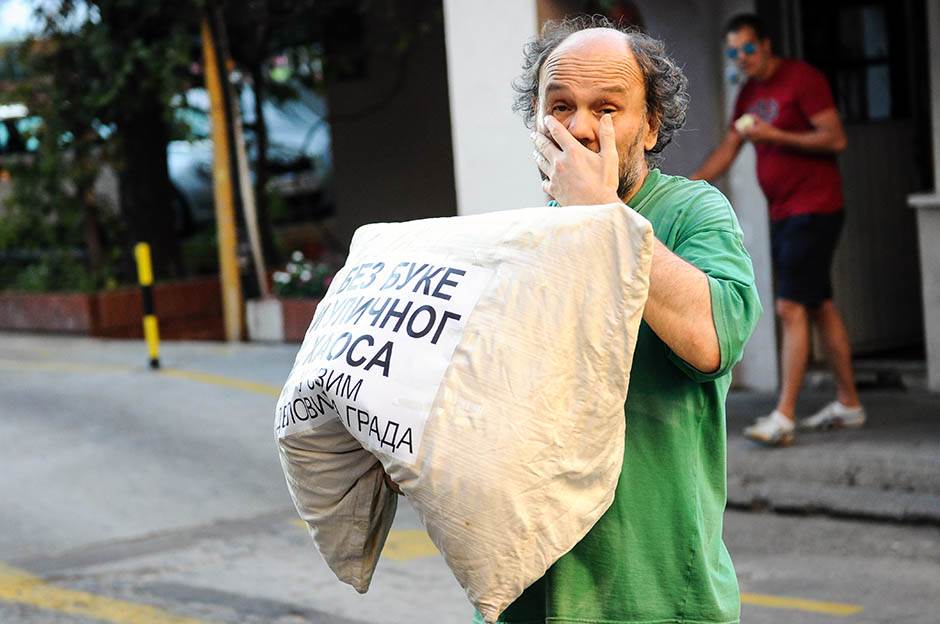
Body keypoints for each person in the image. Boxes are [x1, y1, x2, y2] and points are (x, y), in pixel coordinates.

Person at [469, 16, 761, 624]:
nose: (579, 127)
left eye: (607, 108)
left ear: (650, 125)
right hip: (527, 599)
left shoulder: (691, 213)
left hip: (655, 598)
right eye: (561, 106)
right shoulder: (517, 240)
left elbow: (713, 339)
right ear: (538, 120)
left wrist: (602, 213)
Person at [692, 14, 865, 447]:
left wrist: (776, 134)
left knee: (790, 307)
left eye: (748, 48)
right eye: (734, 52)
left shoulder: (801, 79)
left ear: (767, 45)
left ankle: (784, 415)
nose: (742, 58)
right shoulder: (748, 93)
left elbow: (835, 138)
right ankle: (849, 403)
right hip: (785, 211)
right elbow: (729, 148)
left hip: (815, 206)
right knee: (819, 305)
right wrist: (684, 186)